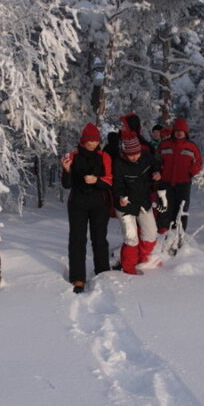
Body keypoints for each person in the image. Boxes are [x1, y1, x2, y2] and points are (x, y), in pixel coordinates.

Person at [61, 123, 112, 294]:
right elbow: (66, 185)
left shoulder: (104, 156)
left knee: (99, 239)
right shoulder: (73, 156)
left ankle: (103, 273)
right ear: (83, 141)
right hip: (77, 203)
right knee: (77, 240)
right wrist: (67, 170)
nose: (93, 143)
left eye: (96, 140)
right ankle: (78, 278)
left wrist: (96, 181)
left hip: (99, 203)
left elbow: (110, 181)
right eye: (90, 140)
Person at [111, 130, 166, 274]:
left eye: (137, 153)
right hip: (125, 206)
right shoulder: (118, 163)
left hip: (143, 202)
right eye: (131, 155)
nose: (135, 157)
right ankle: (128, 268)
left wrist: (157, 172)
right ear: (124, 152)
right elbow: (116, 186)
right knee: (131, 238)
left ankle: (142, 259)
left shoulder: (146, 156)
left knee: (151, 233)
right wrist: (120, 197)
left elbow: (156, 164)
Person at [156, 117, 202, 237]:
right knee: (164, 209)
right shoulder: (164, 145)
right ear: (173, 131)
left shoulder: (191, 146)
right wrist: (158, 171)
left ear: (186, 132)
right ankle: (163, 235)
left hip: (183, 183)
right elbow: (156, 161)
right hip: (165, 183)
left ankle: (179, 236)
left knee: (181, 210)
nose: (179, 133)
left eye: (181, 131)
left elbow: (198, 162)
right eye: (177, 130)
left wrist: (190, 172)